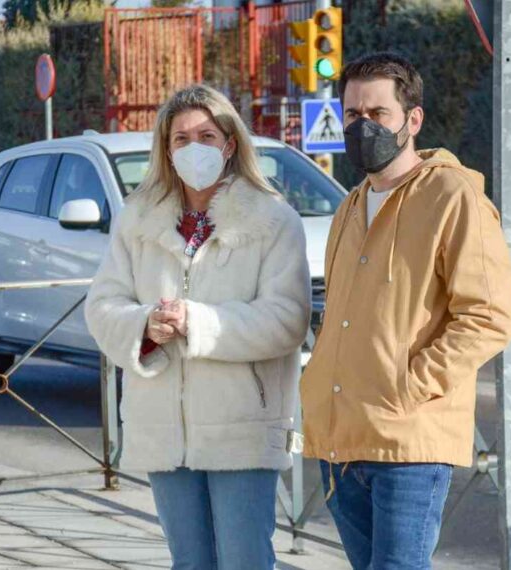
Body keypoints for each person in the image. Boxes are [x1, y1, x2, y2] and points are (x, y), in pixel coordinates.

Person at [300, 52, 511, 570]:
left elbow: (489, 314)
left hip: (407, 445)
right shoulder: (351, 204)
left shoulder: (452, 194)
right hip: (341, 442)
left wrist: (410, 384)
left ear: (412, 120)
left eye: (378, 113)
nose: (363, 125)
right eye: (353, 115)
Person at [85, 84, 311, 570]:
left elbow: (288, 319)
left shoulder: (273, 220)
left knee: (244, 560)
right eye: (181, 138)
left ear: (230, 143)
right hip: (163, 427)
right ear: (166, 149)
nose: (194, 147)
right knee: (189, 563)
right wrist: (145, 325)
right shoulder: (137, 221)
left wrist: (198, 323)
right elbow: (102, 306)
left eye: (206, 135)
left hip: (243, 428)